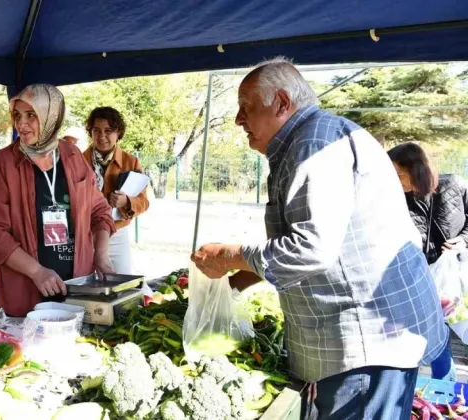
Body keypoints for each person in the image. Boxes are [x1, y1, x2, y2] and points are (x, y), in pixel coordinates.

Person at [191, 57, 447, 420]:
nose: (237, 120)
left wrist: (229, 255)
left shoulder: (312, 143)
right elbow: (318, 244)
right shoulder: (313, 137)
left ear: (281, 103)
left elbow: (312, 249)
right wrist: (236, 281)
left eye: (246, 107)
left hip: (365, 343)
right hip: (370, 339)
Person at [0, 84, 116, 317]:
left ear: (51, 116)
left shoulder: (72, 155)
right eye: (17, 115)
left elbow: (100, 211)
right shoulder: (3, 163)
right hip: (23, 294)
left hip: (75, 290)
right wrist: (37, 272)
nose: (21, 124)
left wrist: (101, 256)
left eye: (31, 115)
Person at [388, 142, 465, 381]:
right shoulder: (396, 199)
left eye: (399, 174)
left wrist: (463, 240)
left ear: (417, 169)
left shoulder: (453, 185)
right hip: (421, 276)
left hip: (457, 272)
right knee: (435, 332)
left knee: (455, 326)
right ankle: (444, 390)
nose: (395, 180)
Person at [83, 107, 149, 274]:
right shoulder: (78, 160)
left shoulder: (132, 162)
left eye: (108, 131)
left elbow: (144, 202)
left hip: (117, 232)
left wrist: (127, 201)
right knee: (87, 287)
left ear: (118, 132)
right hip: (85, 234)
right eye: (96, 130)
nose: (102, 136)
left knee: (122, 283)